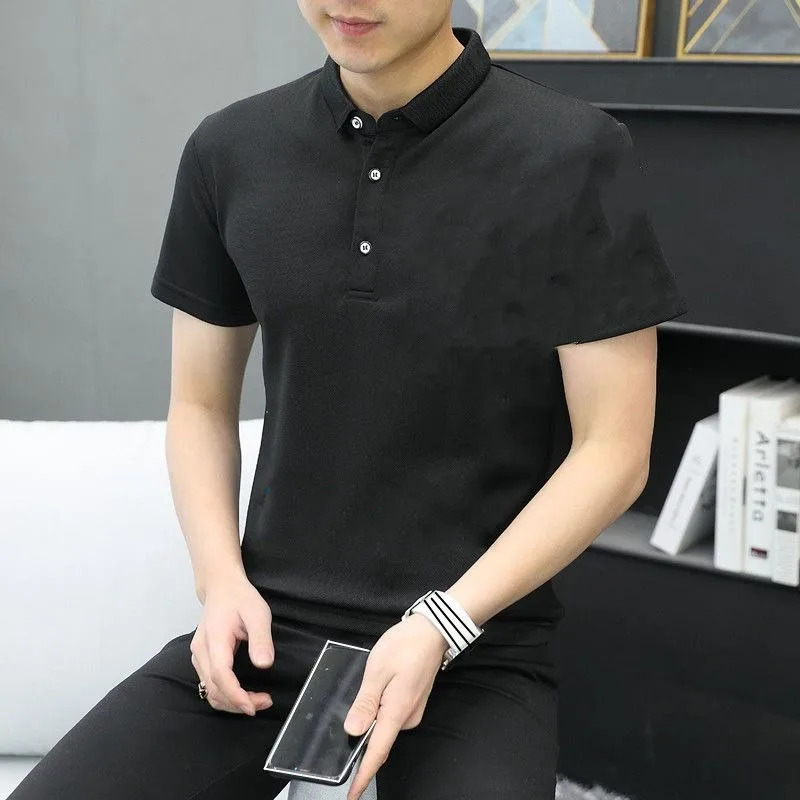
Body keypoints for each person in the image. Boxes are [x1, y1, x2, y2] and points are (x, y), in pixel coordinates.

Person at [10, 2, 688, 800]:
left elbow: (614, 451)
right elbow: (199, 405)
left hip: (476, 647)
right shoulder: (230, 150)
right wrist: (219, 583)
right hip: (269, 634)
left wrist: (443, 624)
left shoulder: (572, 153)